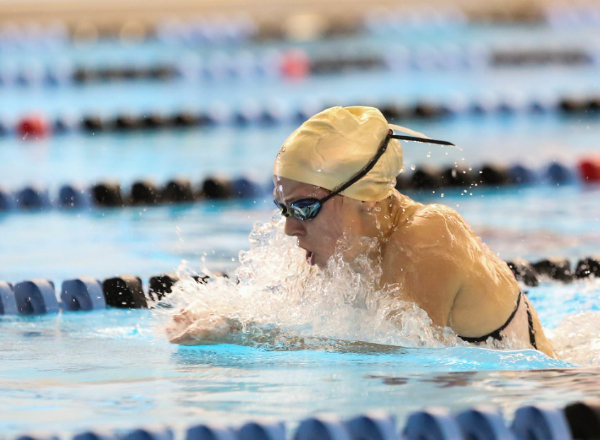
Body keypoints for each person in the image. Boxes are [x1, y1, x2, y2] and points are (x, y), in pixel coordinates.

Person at [168, 106, 555, 358]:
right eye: (284, 208)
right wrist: (221, 317)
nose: (289, 228)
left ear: (366, 199)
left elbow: (406, 357)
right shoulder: (346, 248)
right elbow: (305, 326)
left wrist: (244, 337)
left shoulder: (429, 235)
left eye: (305, 208)